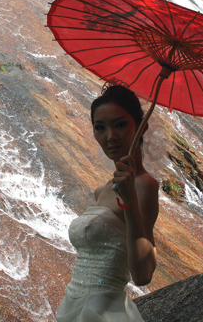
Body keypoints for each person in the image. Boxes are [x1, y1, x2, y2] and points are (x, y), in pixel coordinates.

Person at [56, 83, 159, 322]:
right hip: (73, 308)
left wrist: (130, 203)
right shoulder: (102, 191)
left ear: (141, 127)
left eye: (120, 125)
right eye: (100, 128)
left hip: (104, 313)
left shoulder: (144, 185)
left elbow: (142, 275)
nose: (110, 137)